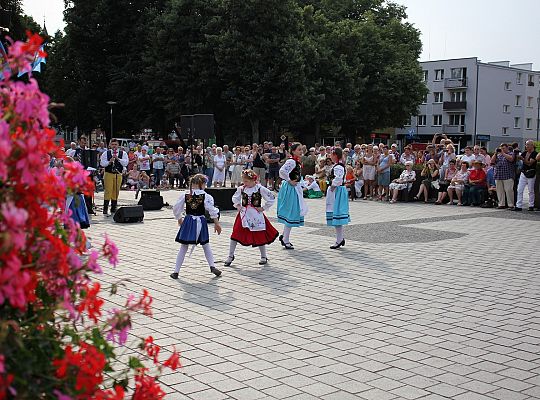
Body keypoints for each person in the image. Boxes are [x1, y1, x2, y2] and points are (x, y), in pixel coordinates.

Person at [170, 174, 222, 279]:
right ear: (202, 184)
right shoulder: (206, 196)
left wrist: (179, 218)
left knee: (184, 246)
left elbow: (176, 208)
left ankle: (176, 271)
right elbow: (212, 210)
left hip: (188, 221)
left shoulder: (185, 195)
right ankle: (212, 266)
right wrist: (216, 223)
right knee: (206, 245)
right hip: (201, 221)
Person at [224, 169, 279, 267]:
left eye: (246, 181)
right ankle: (230, 255)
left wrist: (263, 208)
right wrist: (238, 206)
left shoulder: (259, 188)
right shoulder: (242, 189)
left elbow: (271, 198)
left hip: (256, 215)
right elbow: (235, 198)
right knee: (236, 233)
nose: (244, 183)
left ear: (253, 180)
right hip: (243, 215)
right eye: (244, 181)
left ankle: (263, 256)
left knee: (259, 234)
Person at [277, 143, 308, 250]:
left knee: (292, 212)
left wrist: (303, 184)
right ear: (293, 151)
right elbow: (282, 171)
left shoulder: (296, 162)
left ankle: (284, 236)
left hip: (294, 188)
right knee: (291, 212)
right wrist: (289, 180)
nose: (301, 151)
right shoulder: (291, 161)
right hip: (291, 189)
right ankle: (285, 239)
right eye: (299, 150)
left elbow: (298, 175)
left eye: (301, 150)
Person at [326, 148, 350, 249]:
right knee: (336, 215)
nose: (330, 156)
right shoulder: (338, 165)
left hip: (337, 191)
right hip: (338, 190)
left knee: (336, 214)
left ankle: (339, 239)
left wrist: (332, 186)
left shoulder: (338, 167)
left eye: (332, 154)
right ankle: (340, 238)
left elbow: (339, 178)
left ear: (335, 155)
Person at [100, 139, 128, 215]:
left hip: (118, 174)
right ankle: (105, 208)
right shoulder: (106, 153)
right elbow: (102, 163)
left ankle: (113, 207)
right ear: (110, 145)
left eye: (115, 144)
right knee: (108, 190)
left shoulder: (123, 153)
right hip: (108, 173)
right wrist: (109, 162)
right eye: (113, 144)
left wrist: (118, 159)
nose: (114, 146)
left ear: (118, 145)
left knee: (116, 191)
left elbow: (125, 163)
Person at [491, 143, 516, 209]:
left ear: (507, 148)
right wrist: (495, 153)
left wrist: (503, 153)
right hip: (498, 175)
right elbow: (492, 162)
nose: (502, 149)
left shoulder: (511, 153)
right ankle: (501, 204)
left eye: (503, 148)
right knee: (499, 191)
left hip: (507, 176)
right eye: (501, 148)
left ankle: (511, 205)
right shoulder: (498, 155)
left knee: (509, 190)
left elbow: (511, 159)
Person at [515, 140, 538, 211]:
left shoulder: (535, 153)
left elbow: (529, 163)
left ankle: (531, 205)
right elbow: (518, 159)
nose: (526, 146)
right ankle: (518, 205)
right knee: (519, 189)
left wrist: (522, 158)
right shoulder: (525, 152)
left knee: (531, 190)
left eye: (528, 145)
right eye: (526, 145)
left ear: (532, 145)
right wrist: (516, 154)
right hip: (523, 172)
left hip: (531, 173)